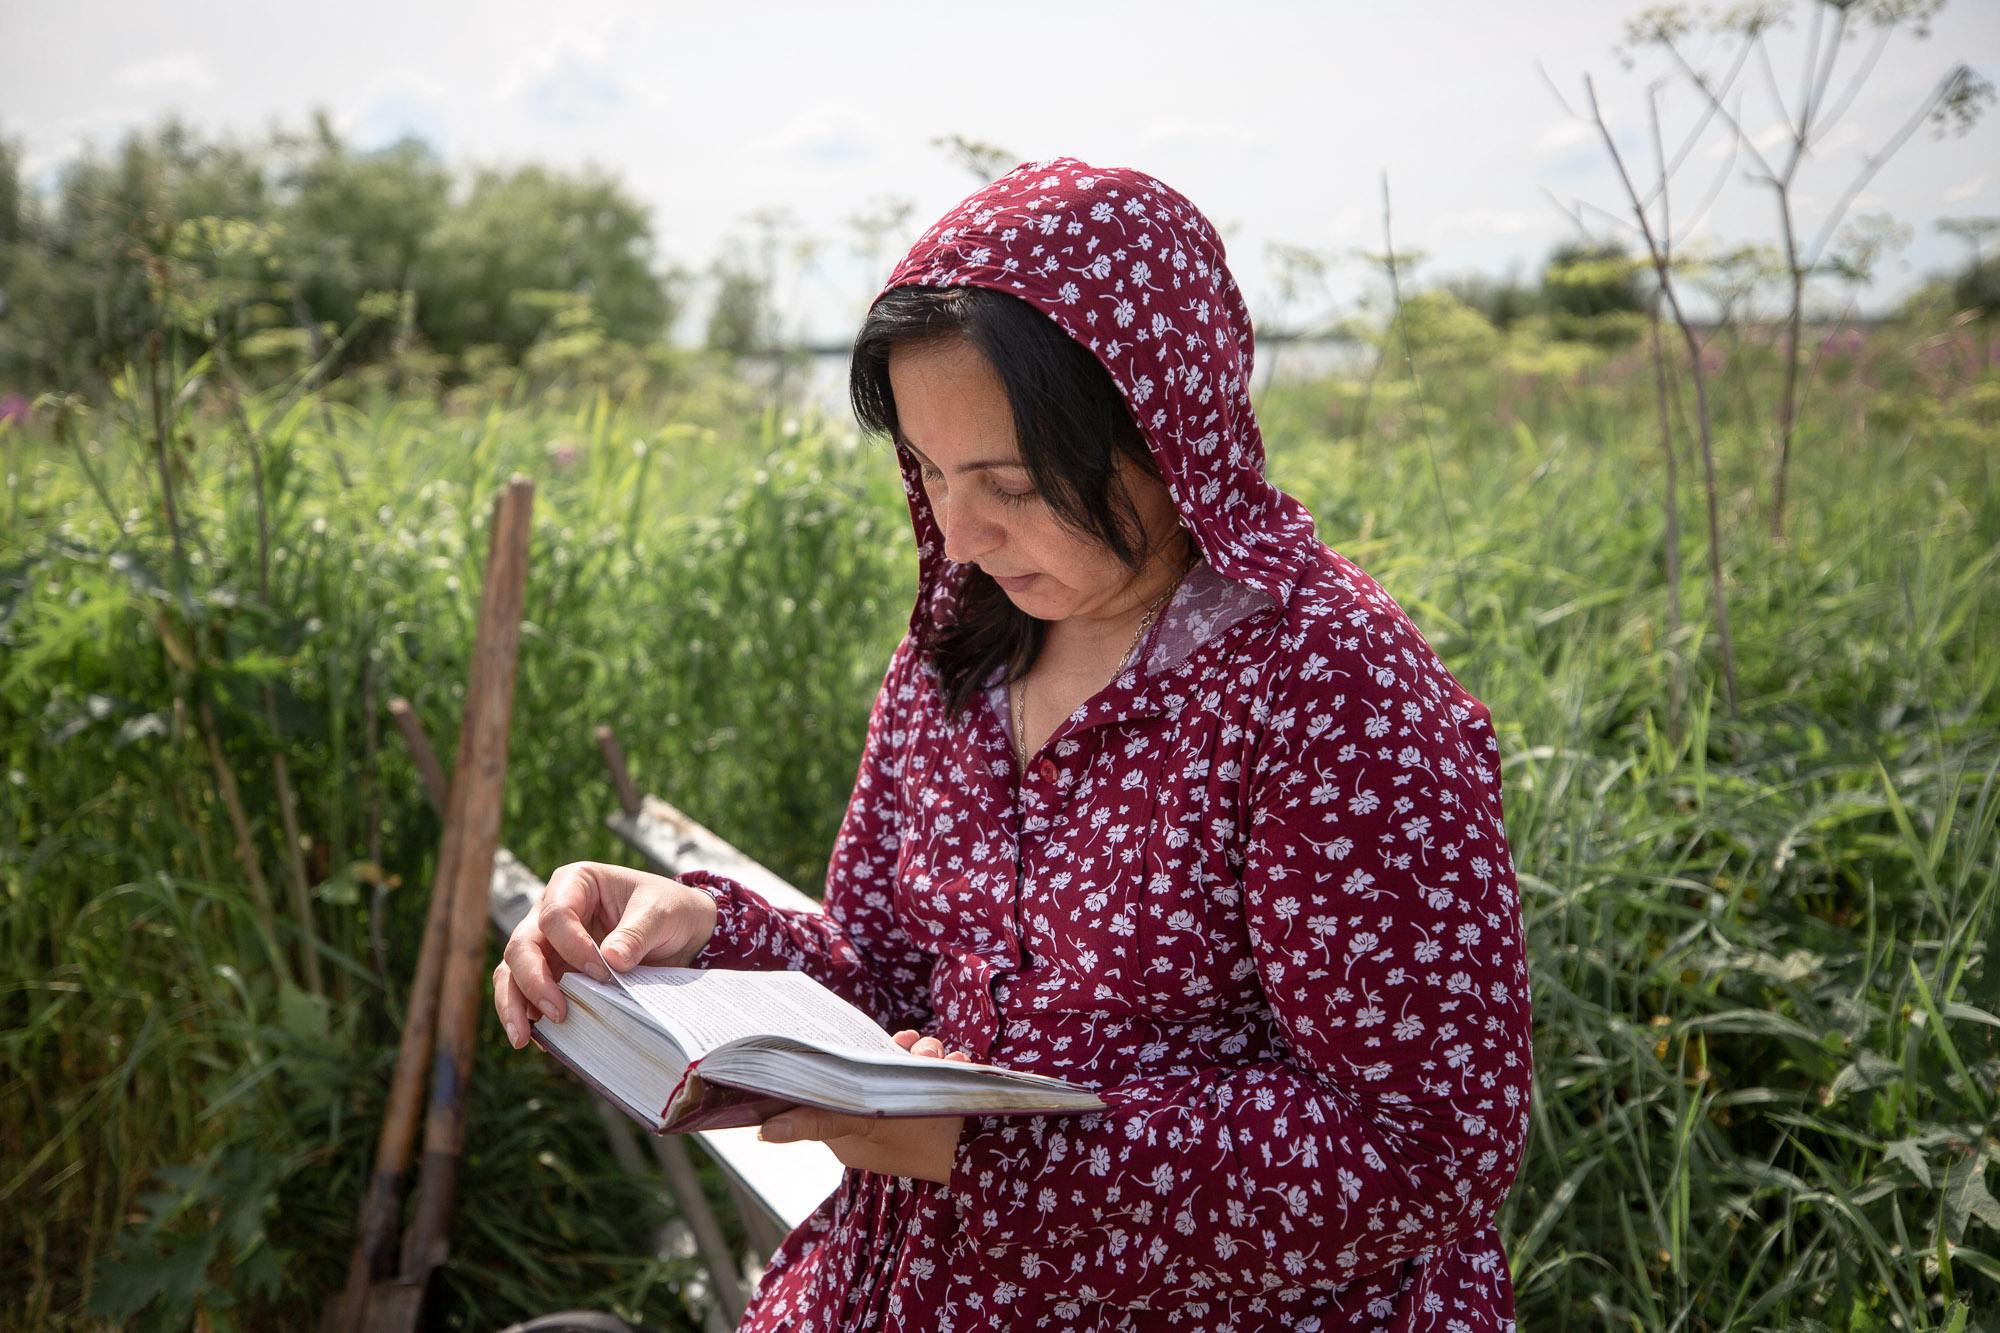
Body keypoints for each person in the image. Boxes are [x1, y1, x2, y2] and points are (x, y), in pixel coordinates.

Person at [495, 159, 1532, 1331]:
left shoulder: (1325, 688)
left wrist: (980, 1152)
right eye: (929, 472)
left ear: (1168, 429)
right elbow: (890, 982)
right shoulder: (962, 654)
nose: (963, 531)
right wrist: (699, 927)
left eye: (1014, 483)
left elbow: (1424, 1151)